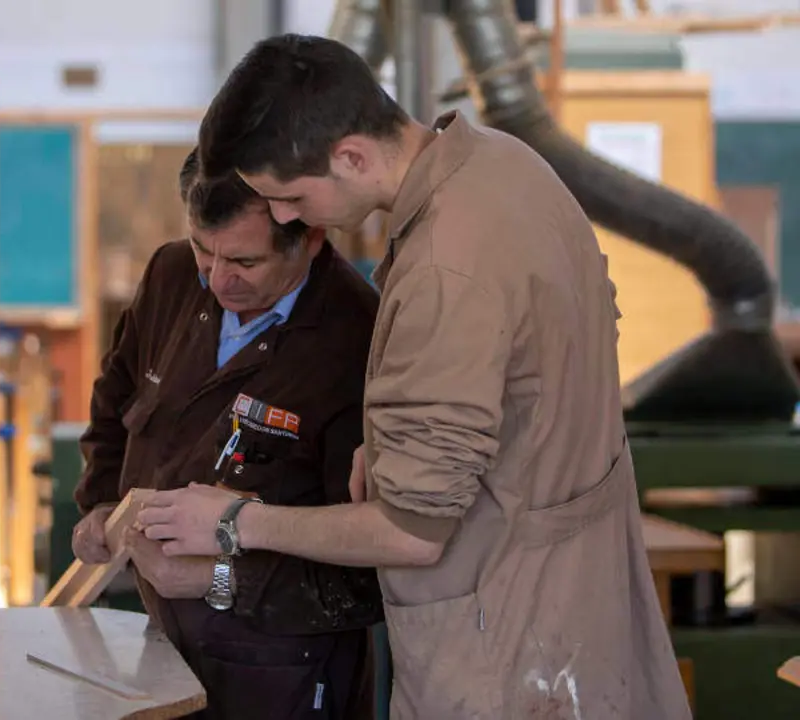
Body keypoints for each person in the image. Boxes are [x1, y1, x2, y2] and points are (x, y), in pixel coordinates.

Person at [136, 34, 692, 719]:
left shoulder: (442, 269)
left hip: (508, 646)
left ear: (350, 155)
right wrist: (409, 441)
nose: (283, 216)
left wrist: (234, 523)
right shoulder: (505, 166)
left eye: (288, 196)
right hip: (573, 605)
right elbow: (571, 338)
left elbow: (412, 533)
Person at [71, 148, 384, 720]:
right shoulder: (170, 276)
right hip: (161, 646)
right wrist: (101, 504)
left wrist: (220, 577)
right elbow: (115, 401)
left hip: (284, 674)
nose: (216, 280)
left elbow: (370, 573)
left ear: (309, 237)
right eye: (201, 249)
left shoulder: (358, 338)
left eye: (244, 260)